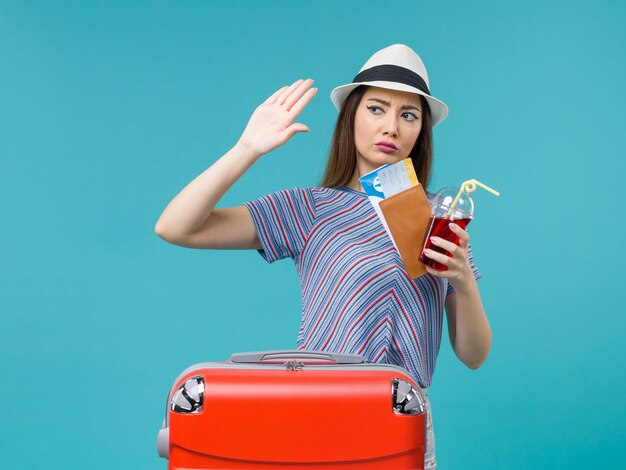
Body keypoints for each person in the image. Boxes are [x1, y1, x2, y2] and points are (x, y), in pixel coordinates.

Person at [155, 44, 492, 469]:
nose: (390, 127)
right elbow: (175, 226)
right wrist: (247, 148)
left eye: (409, 115)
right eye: (376, 108)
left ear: (421, 131)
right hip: (319, 408)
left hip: (402, 418)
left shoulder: (438, 221)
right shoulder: (309, 208)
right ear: (350, 116)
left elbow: (474, 355)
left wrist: (462, 281)